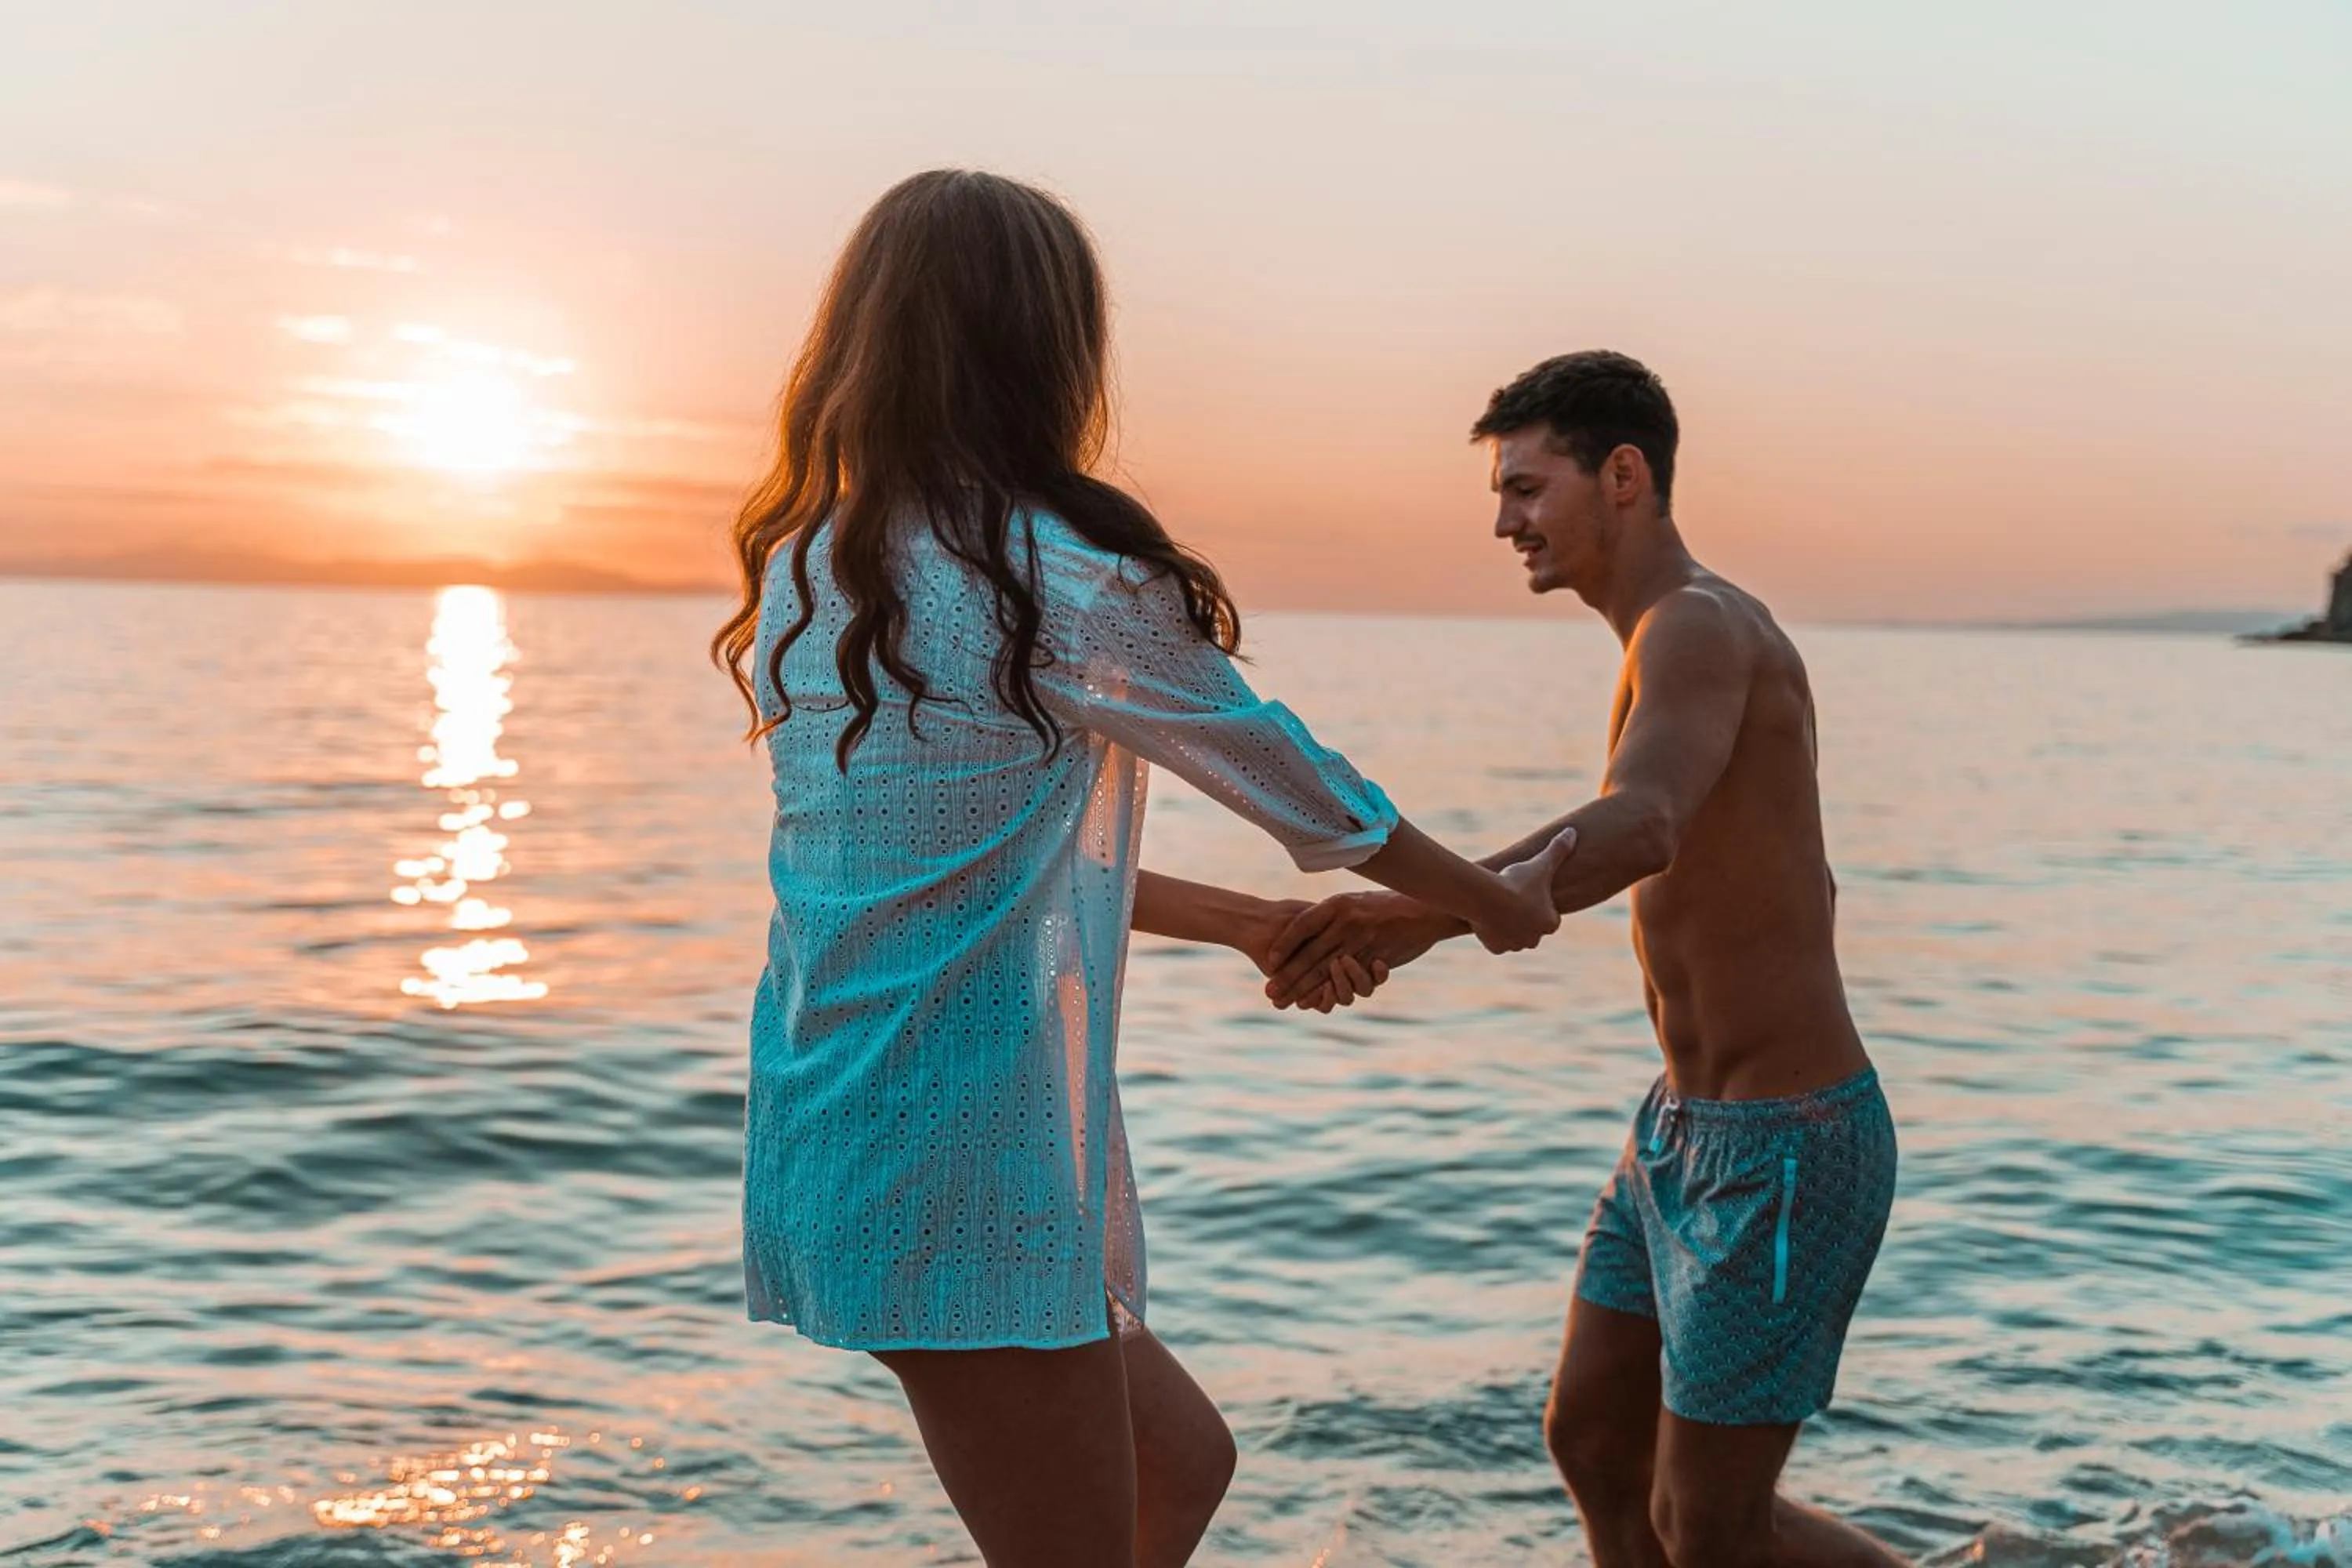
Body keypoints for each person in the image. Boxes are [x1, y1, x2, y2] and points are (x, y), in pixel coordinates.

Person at [710, 169, 1573, 1568]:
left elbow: (946, 871)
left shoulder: (821, 571)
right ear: (1049, 348)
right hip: (953, 1158)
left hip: (839, 1126)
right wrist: (1500, 901)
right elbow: (1309, 790)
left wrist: (1246, 926)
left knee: (1181, 1465)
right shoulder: (1054, 575)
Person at [1263, 352, 1905, 1567]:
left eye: (1525, 487)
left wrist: (1417, 913)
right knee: (1596, 1448)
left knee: (1708, 1523)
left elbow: (1643, 821)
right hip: (1678, 1130)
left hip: (1788, 1145)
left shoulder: (1700, 626)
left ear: (1624, 476)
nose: (1504, 522)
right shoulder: (1663, 639)